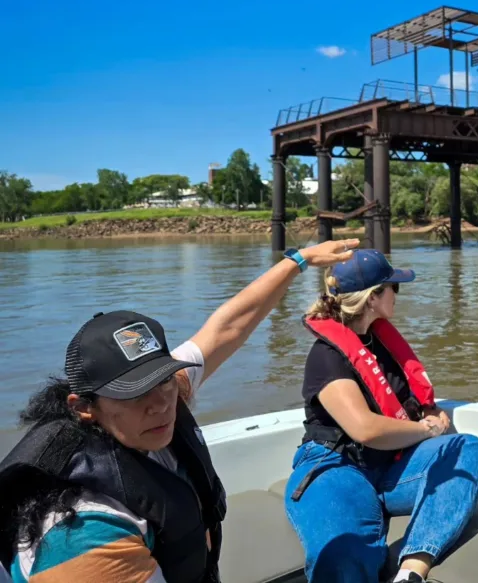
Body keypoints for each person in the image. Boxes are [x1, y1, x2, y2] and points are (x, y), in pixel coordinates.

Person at [0, 238, 359, 583]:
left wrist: (298, 261)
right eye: (133, 394)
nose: (160, 404)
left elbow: (228, 328)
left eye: (163, 380)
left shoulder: (163, 399)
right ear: (84, 408)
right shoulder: (81, 532)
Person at [284, 249, 478, 583]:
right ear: (372, 298)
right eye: (394, 287)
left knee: (467, 449)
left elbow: (415, 405)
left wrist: (432, 414)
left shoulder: (383, 347)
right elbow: (364, 428)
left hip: (393, 466)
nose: (397, 294)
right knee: (342, 557)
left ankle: (411, 570)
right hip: (336, 466)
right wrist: (426, 429)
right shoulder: (327, 356)